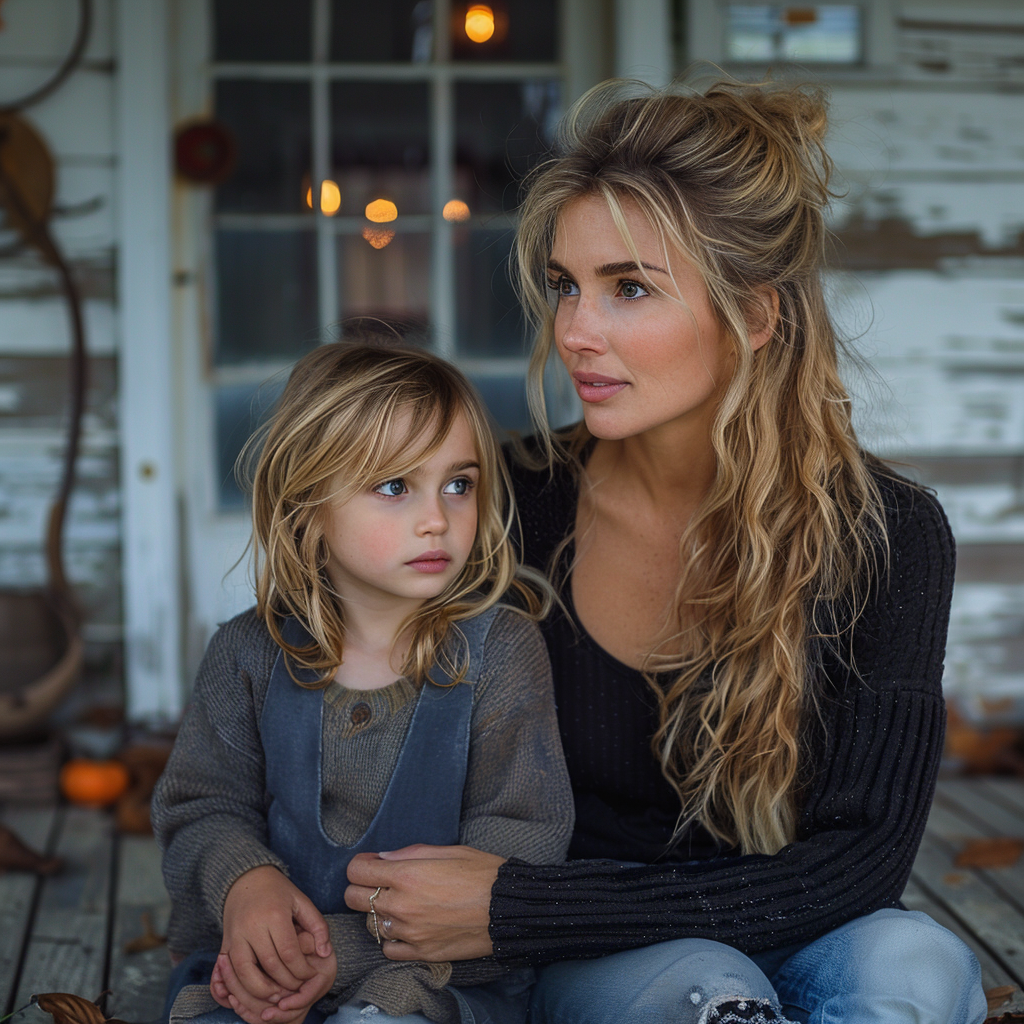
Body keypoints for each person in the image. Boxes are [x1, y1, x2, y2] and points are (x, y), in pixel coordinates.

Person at [342, 79, 989, 1024]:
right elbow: (358, 734)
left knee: (920, 966)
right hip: (600, 958)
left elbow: (864, 858)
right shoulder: (509, 503)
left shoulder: (886, 532)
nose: (574, 331)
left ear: (756, 317)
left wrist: (516, 905)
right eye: (565, 284)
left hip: (788, 923)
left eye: (629, 288)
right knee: (706, 996)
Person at [152, 341, 574, 1024]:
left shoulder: (500, 653)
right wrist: (243, 884)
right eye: (394, 487)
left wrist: (340, 955)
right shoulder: (247, 655)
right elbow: (200, 805)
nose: (437, 517)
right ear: (309, 507)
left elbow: (520, 853)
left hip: (435, 980)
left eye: (458, 484)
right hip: (261, 974)